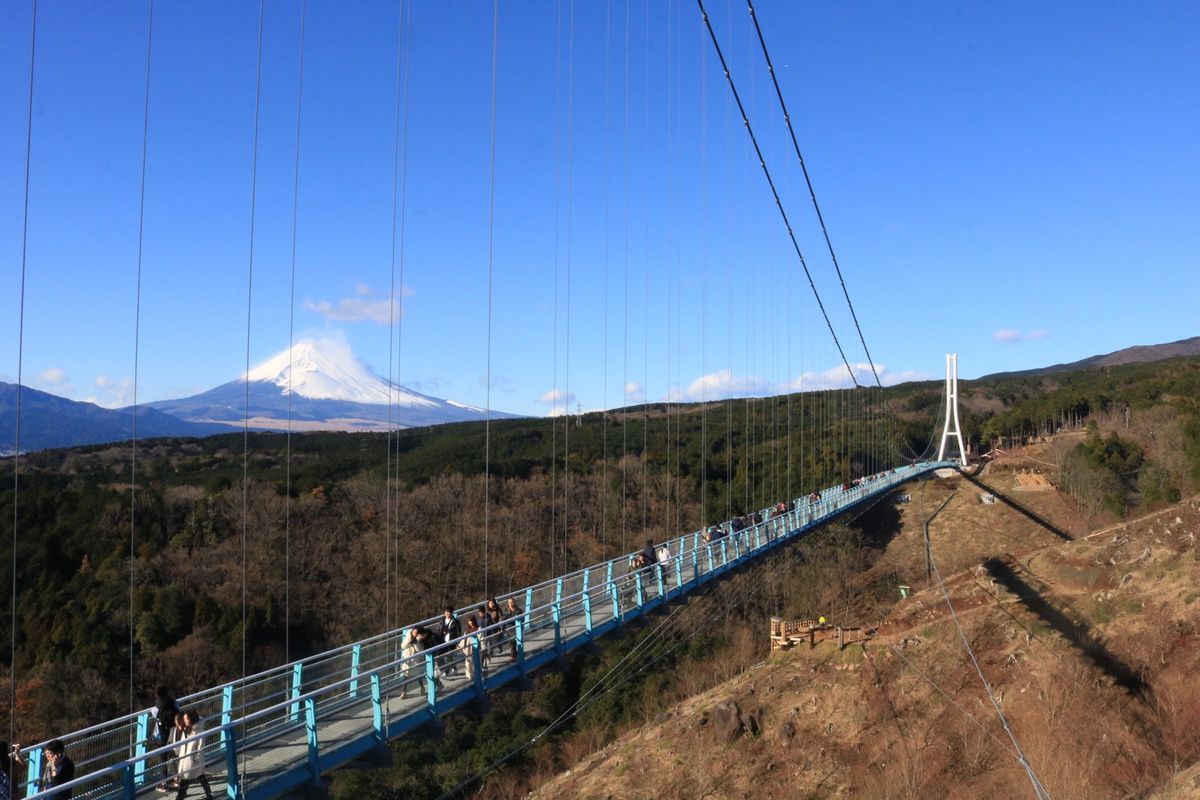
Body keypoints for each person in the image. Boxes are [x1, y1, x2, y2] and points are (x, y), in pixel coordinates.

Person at [173, 710, 214, 800]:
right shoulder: (186, 729)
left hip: (192, 760)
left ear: (192, 719)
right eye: (184, 719)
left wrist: (196, 759)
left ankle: (180, 796)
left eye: (187, 719)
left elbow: (201, 747)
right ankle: (209, 795)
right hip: (185, 759)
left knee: (187, 778)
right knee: (198, 776)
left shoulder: (199, 731)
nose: (185, 721)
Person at [437, 607, 462, 677]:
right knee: (447, 657)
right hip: (443, 641)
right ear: (444, 613)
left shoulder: (455, 622)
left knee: (449, 656)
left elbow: (459, 633)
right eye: (446, 612)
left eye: (449, 612)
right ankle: (454, 668)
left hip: (451, 642)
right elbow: (439, 630)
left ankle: (446, 672)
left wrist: (458, 642)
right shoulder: (442, 621)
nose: (448, 614)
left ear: (452, 613)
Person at [459, 618, 480, 683]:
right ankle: (469, 676)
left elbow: (480, 638)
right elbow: (463, 639)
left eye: (471, 621)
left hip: (475, 648)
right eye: (469, 622)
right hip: (468, 648)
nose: (470, 623)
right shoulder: (467, 631)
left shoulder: (478, 629)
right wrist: (460, 645)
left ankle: (478, 674)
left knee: (476, 661)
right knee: (468, 661)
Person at [503, 597, 522, 662]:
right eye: (509, 602)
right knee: (511, 642)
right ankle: (514, 654)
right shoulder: (506, 610)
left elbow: (519, 619)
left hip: (516, 628)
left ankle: (513, 655)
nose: (510, 604)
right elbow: (504, 619)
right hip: (508, 628)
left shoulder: (518, 610)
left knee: (512, 641)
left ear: (514, 602)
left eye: (511, 602)